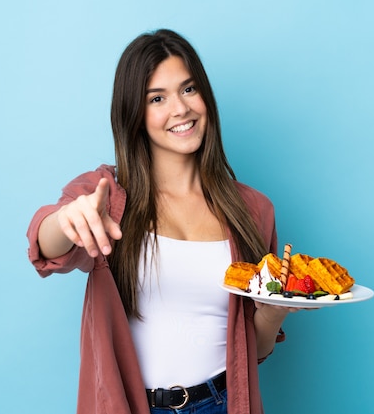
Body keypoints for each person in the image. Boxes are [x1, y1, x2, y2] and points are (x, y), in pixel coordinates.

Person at [27, 29, 297, 414]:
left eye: (189, 90)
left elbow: (253, 351)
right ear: (135, 115)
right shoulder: (109, 195)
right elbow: (47, 247)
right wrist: (67, 220)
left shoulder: (253, 210)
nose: (180, 109)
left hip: (222, 403)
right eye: (157, 98)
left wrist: (273, 314)